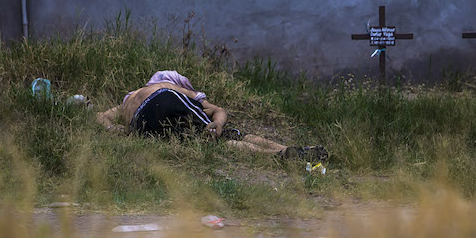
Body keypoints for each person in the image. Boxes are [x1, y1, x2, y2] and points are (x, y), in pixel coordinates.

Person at [96, 70, 328, 161]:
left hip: (140, 124)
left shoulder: (129, 98)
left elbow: (99, 116)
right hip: (167, 99)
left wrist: (111, 129)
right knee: (225, 137)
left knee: (198, 140)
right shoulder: (170, 87)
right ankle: (287, 151)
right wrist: (216, 124)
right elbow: (219, 110)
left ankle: (282, 155)